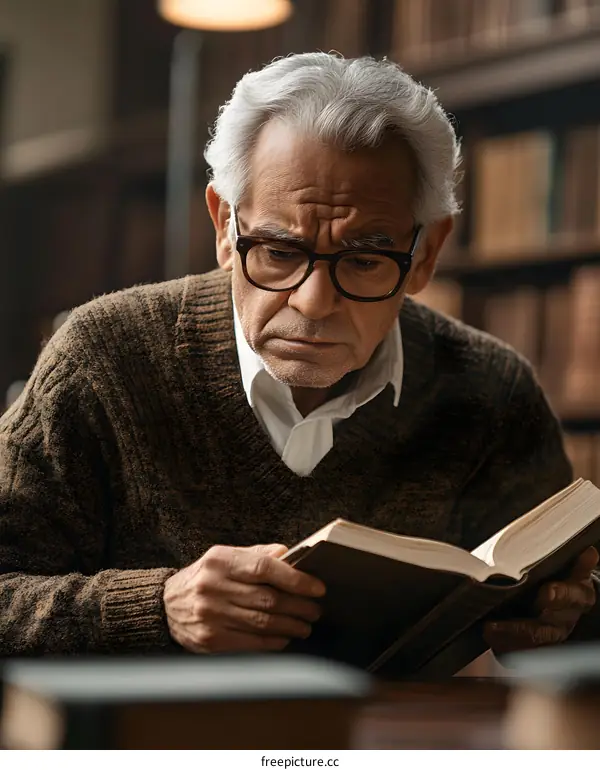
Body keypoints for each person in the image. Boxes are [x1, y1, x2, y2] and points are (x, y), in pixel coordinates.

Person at [0, 53, 597, 660]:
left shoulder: (490, 389)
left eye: (364, 260)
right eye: (280, 252)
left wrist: (569, 615)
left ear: (425, 254)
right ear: (224, 228)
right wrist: (159, 606)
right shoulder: (103, 358)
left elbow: (570, 607)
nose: (313, 304)